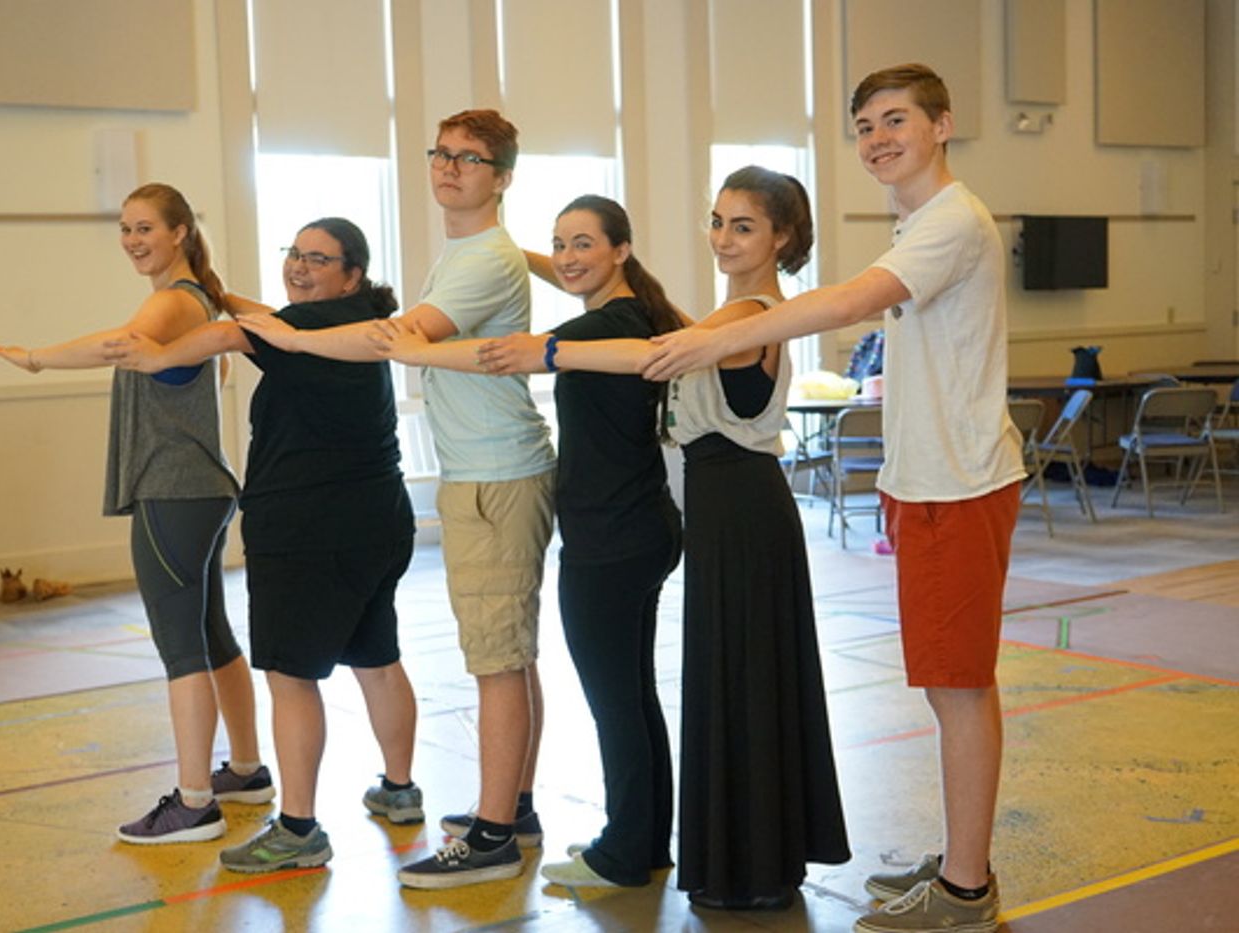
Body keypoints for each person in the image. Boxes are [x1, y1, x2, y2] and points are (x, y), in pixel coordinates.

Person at [643, 64, 1025, 933]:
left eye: (895, 120)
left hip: (960, 486)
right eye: (864, 126)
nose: (878, 138)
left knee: (959, 686)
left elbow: (850, 301)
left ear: (942, 124)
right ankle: (959, 861)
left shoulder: (950, 222)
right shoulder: (919, 222)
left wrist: (723, 332)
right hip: (923, 484)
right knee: (944, 684)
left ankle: (967, 889)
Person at [483, 168, 852, 909]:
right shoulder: (732, 314)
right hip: (725, 510)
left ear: (780, 236)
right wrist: (529, 256)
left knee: (743, 685)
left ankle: (744, 866)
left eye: (741, 225)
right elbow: (673, 328)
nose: (722, 237)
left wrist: (546, 351)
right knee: (734, 683)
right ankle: (729, 855)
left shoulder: (746, 313)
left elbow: (652, 354)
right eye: (716, 221)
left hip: (742, 510)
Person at [236, 109, 556, 889]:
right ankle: (511, 806)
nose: (449, 168)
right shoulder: (468, 251)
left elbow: (399, 336)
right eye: (441, 154)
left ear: (503, 176)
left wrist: (290, 335)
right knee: (503, 656)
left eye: (470, 159)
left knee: (497, 659)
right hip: (475, 474)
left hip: (495, 475)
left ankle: (493, 835)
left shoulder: (482, 260)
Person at [376, 195, 683, 889]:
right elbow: (560, 287)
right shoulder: (625, 316)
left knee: (618, 702)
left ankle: (625, 853)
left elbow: (496, 354)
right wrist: (524, 257)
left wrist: (411, 347)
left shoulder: (603, 328)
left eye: (584, 244)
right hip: (631, 529)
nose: (569, 258)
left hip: (613, 539)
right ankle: (642, 841)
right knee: (632, 697)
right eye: (560, 244)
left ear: (621, 250)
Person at [102, 217, 422, 873]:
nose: (300, 266)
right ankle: (399, 788)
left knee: (292, 676)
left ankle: (299, 829)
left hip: (310, 531)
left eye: (319, 258)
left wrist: (159, 354)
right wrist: (217, 285)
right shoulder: (356, 323)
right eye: (295, 253)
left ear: (351, 274)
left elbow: (230, 332)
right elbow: (259, 315)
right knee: (377, 656)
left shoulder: (304, 333)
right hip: (380, 520)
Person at [0, 182, 271, 844]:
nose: (133, 240)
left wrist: (35, 358)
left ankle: (195, 801)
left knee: (181, 648)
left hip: (173, 491)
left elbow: (120, 345)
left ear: (179, 232)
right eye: (125, 229)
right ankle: (248, 769)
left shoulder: (175, 302)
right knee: (209, 631)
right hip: (198, 490)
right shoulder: (198, 297)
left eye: (145, 228)